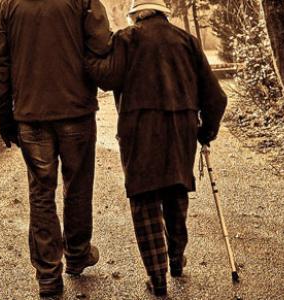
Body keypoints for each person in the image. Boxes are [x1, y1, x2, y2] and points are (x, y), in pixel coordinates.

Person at [87, 0, 228, 295]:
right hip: (181, 129)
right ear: (163, 12)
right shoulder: (187, 41)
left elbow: (107, 78)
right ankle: (176, 260)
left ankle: (158, 279)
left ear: (136, 14)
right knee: (175, 191)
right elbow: (216, 97)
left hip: (139, 131)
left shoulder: (127, 39)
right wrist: (205, 132)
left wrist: (84, 51)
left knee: (145, 199)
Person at [0, 0, 112, 297]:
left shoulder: (8, 6)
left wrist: (5, 114)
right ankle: (78, 254)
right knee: (78, 186)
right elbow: (102, 46)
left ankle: (48, 277)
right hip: (76, 111)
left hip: (31, 116)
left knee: (41, 194)